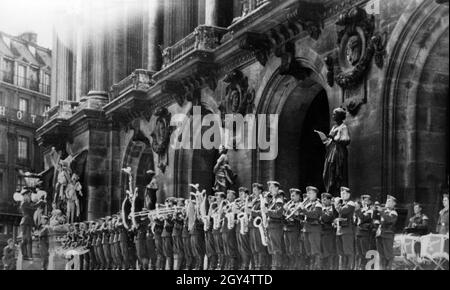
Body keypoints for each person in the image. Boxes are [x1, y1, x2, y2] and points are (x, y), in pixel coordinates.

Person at [315, 107, 351, 196]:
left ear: (340, 116)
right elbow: (329, 142)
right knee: (327, 173)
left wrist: (335, 138)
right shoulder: (334, 127)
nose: (333, 116)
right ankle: (331, 192)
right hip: (331, 152)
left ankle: (337, 194)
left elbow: (346, 139)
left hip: (338, 154)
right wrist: (324, 138)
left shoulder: (343, 127)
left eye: (335, 114)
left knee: (336, 174)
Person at [299, 186, 323, 270]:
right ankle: (311, 266)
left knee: (315, 250)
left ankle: (316, 267)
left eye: (310, 193)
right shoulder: (308, 204)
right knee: (308, 250)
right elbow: (304, 215)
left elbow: (314, 215)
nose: (308, 195)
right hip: (307, 229)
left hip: (314, 229)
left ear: (315, 194)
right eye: (308, 193)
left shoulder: (318, 204)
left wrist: (304, 210)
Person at [19, 188, 45, 260]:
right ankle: (25, 256)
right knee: (25, 239)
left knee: (28, 239)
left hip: (28, 222)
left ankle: (28, 256)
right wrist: (40, 201)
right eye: (29, 195)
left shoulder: (27, 203)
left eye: (30, 195)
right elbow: (33, 207)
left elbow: (33, 207)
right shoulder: (24, 203)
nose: (30, 196)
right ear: (25, 195)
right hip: (25, 222)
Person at [334, 187, 355, 270]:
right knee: (341, 252)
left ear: (349, 194)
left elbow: (342, 211)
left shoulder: (351, 203)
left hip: (347, 231)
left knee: (348, 252)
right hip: (340, 230)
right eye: (341, 193)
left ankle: (350, 267)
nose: (342, 195)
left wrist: (336, 204)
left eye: (344, 193)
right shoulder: (342, 204)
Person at [265, 181, 285, 270]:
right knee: (272, 249)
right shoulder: (272, 200)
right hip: (271, 226)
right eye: (269, 187)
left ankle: (277, 267)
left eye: (272, 187)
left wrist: (267, 211)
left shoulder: (279, 199)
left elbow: (278, 213)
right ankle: (274, 266)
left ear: (277, 188)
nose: (270, 189)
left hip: (276, 226)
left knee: (276, 249)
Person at [376, 195, 398, 270]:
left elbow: (389, 220)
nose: (387, 202)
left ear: (394, 203)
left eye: (389, 201)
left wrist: (381, 211)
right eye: (387, 201)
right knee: (381, 255)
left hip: (388, 235)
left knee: (388, 255)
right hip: (380, 235)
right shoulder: (384, 211)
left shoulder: (393, 212)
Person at [283, 188, 303, 270]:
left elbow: (302, 217)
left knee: (294, 249)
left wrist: (295, 215)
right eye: (291, 195)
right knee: (288, 249)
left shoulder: (301, 205)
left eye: (294, 195)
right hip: (287, 228)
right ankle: (291, 265)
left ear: (298, 196)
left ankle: (296, 266)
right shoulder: (289, 204)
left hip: (295, 228)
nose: (292, 197)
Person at [354, 194, 373, 270]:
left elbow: (364, 218)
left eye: (366, 200)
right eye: (363, 200)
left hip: (365, 233)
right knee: (359, 252)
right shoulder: (360, 210)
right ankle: (361, 267)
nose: (364, 202)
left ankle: (366, 267)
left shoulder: (370, 210)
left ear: (369, 202)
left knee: (365, 252)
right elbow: (355, 221)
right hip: (358, 232)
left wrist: (358, 211)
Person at [320, 192, 337, 270]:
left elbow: (327, 219)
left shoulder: (333, 210)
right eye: (322, 200)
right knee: (322, 253)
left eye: (325, 200)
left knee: (329, 252)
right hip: (321, 233)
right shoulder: (322, 209)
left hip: (329, 233)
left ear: (330, 200)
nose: (323, 201)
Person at [236, 187, 252, 270]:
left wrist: (239, 211)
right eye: (239, 194)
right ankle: (242, 264)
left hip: (245, 227)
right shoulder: (239, 203)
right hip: (239, 227)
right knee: (240, 248)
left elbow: (248, 213)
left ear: (246, 195)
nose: (240, 195)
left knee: (245, 247)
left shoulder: (249, 203)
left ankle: (246, 265)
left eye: (242, 194)